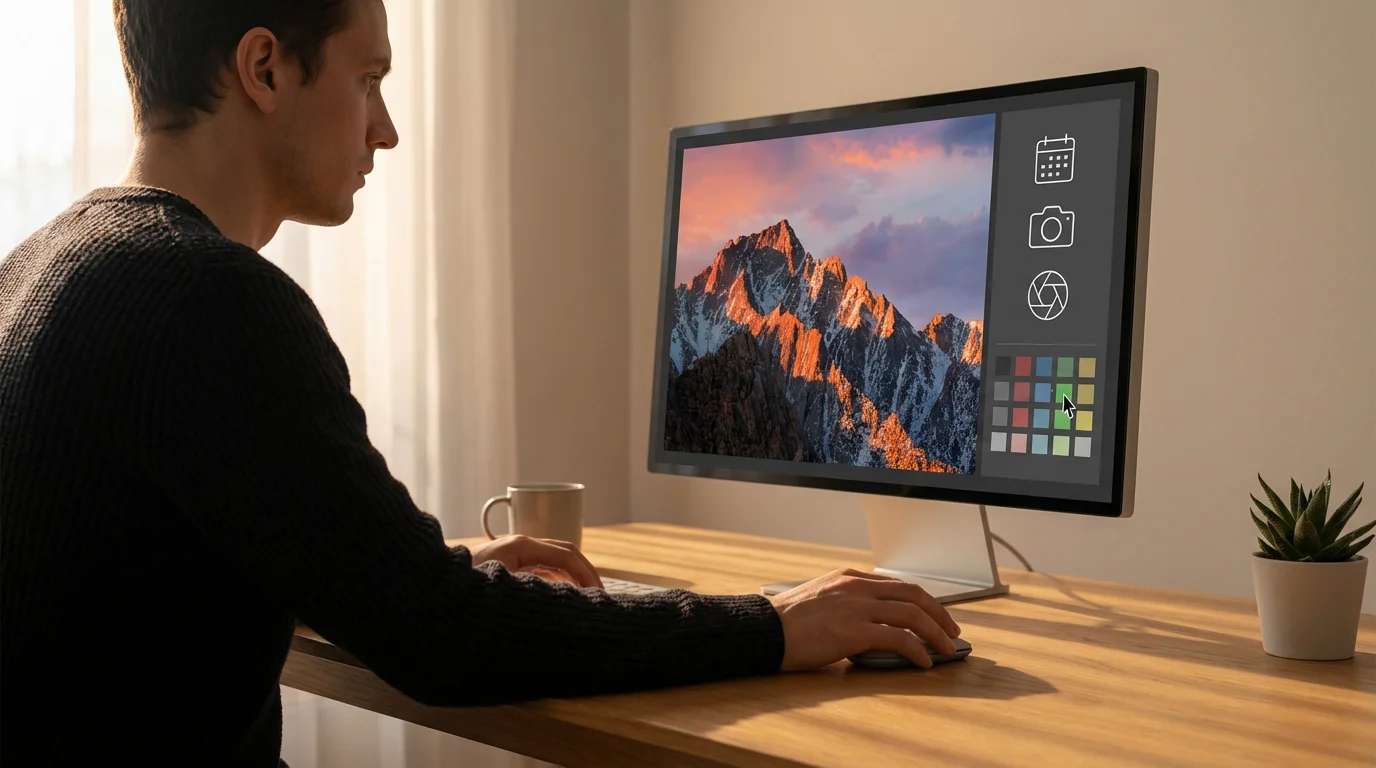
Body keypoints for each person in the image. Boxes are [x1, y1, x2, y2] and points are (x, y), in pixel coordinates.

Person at [0, 1, 962, 765]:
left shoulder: (39, 269)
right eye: (369, 78)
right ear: (264, 69)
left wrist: (399, 574)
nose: (387, 129)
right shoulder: (205, 299)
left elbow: (118, 589)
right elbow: (443, 641)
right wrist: (772, 624)